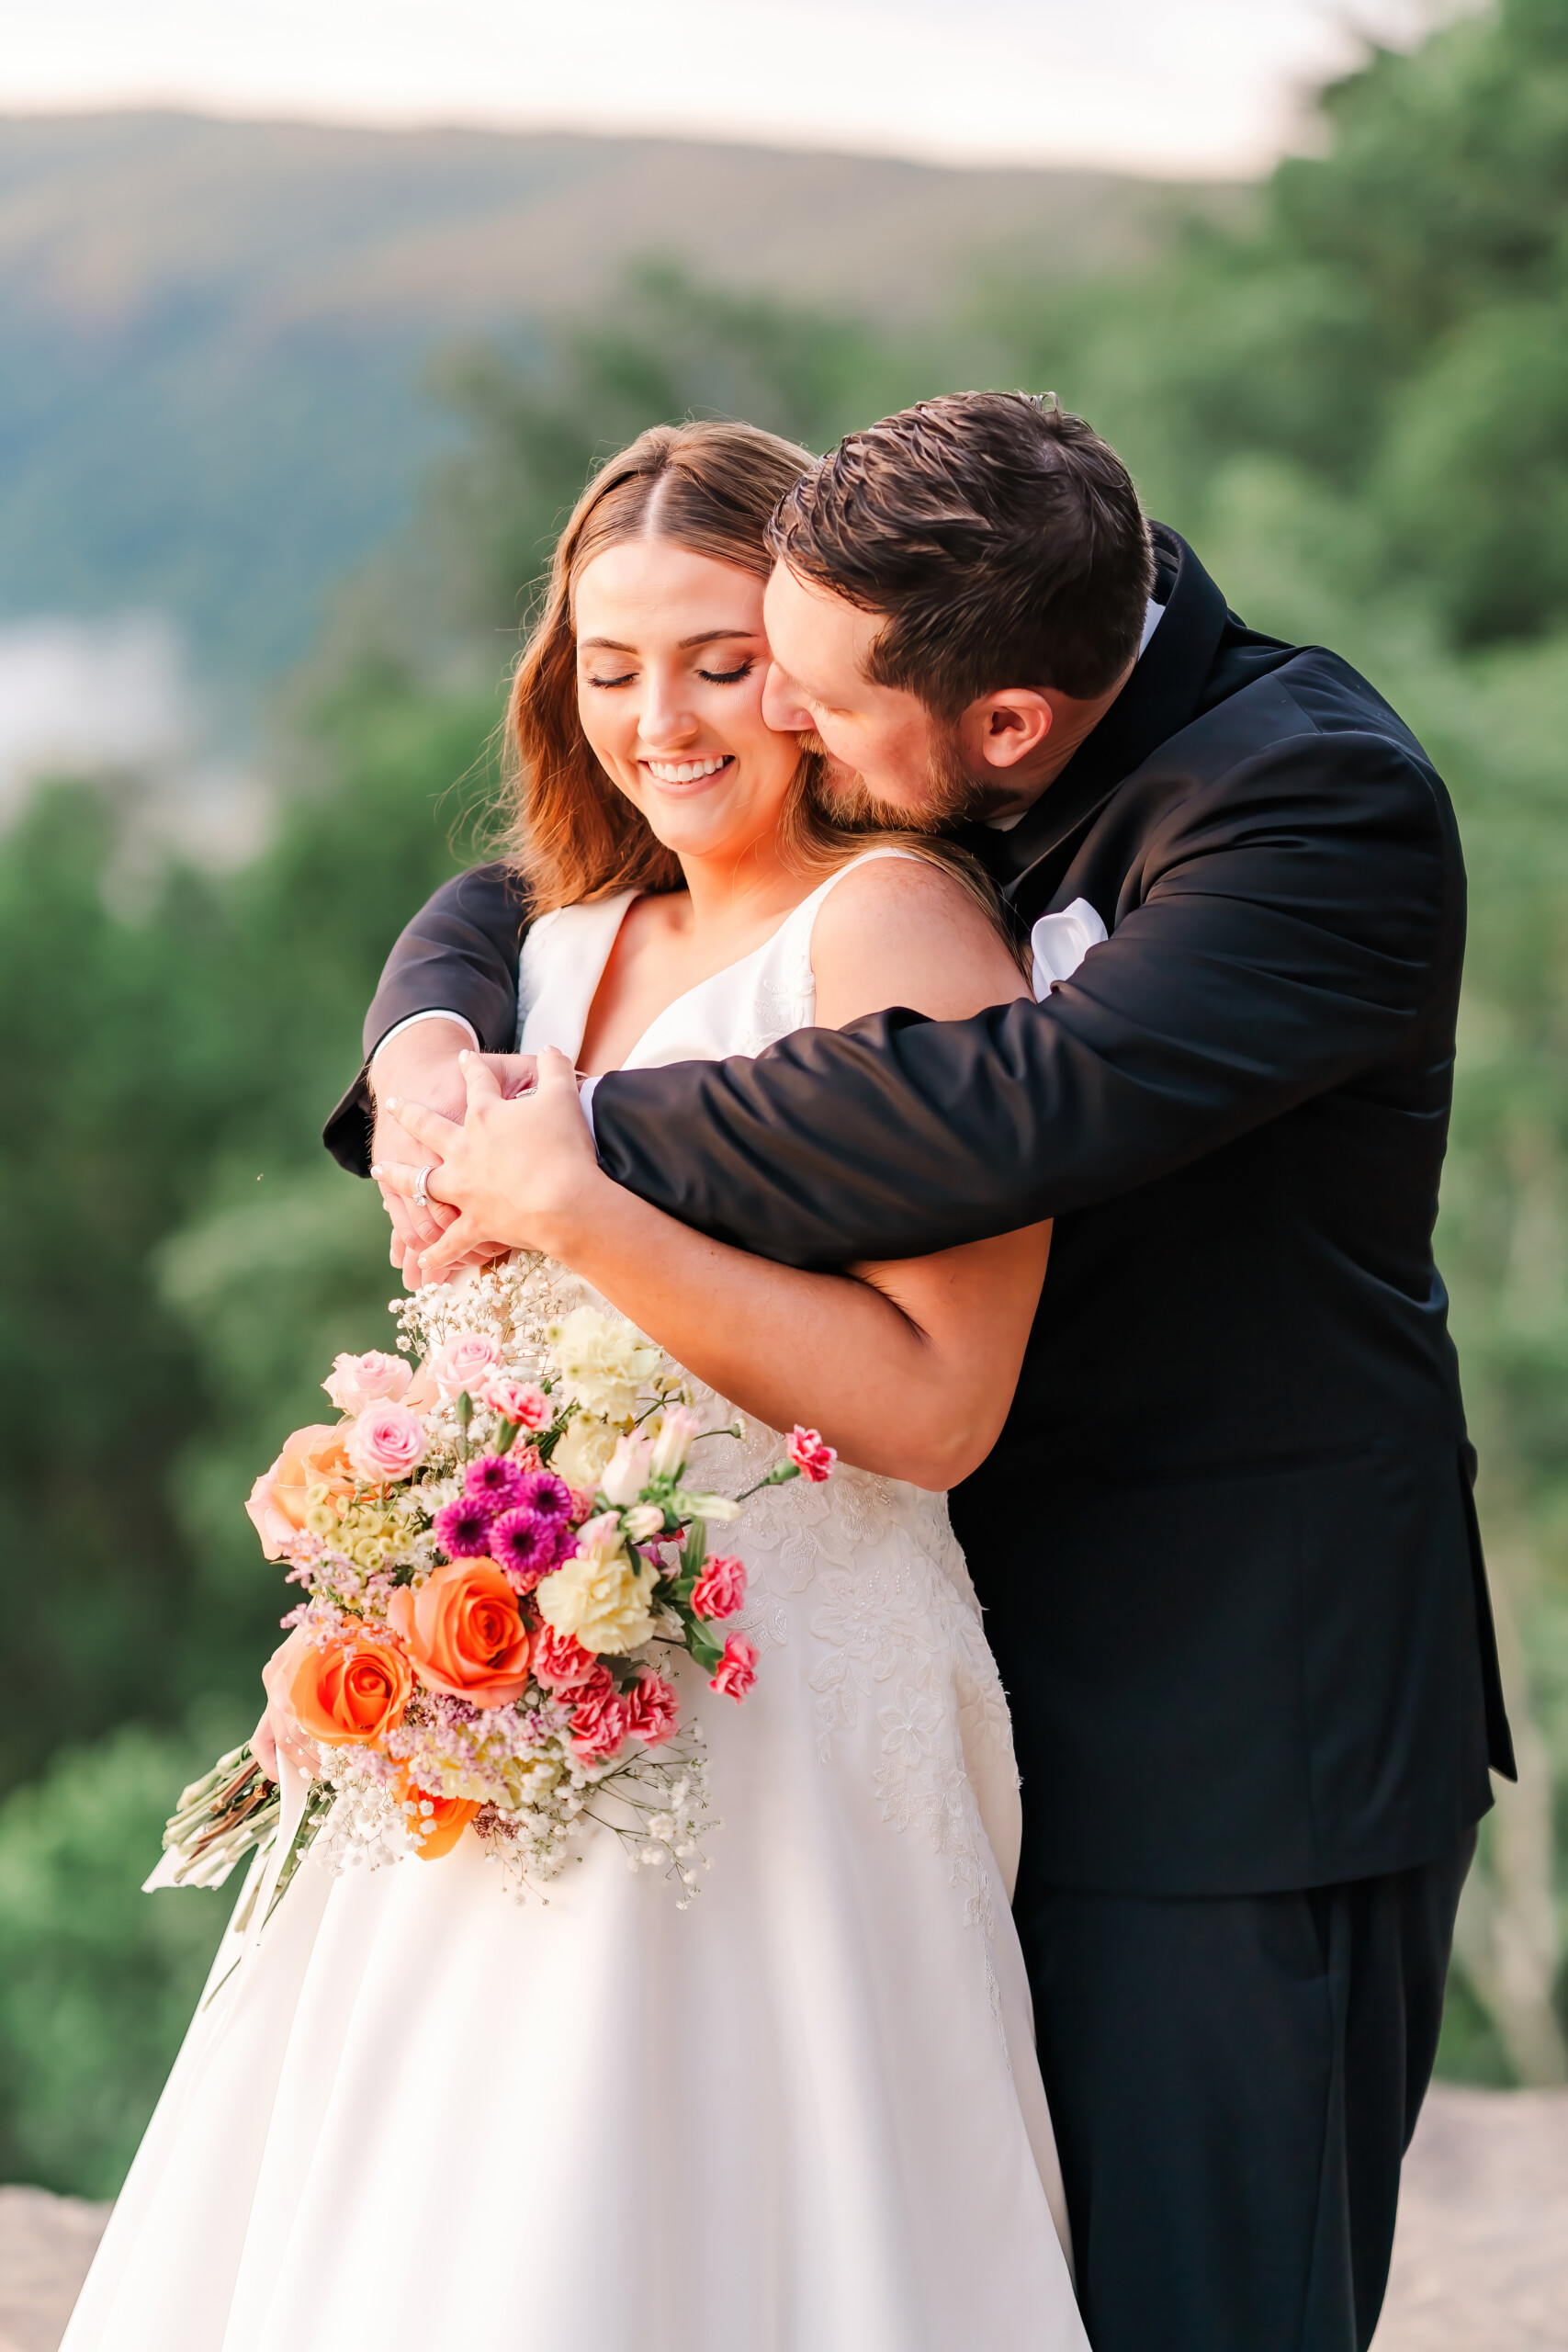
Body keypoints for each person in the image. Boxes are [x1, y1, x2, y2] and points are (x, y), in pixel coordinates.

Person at [344, 391, 1516, 2352]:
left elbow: (1012, 1101)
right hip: (918, 1707)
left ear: (1002, 727)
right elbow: (541, 886)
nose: (763, 722)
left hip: (1224, 1717)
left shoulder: (1310, 810)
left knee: (1190, 2306)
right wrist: (429, 1040)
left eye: (786, 686)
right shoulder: (963, 617)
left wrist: (572, 1149)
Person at [62, 421, 1089, 2352]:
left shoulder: (892, 932)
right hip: (497, 1702)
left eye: (717, 658)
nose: (664, 718)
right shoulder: (545, 954)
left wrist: (580, 1207)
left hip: (785, 1688)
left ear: (806, 661)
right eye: (608, 669)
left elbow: (944, 1404)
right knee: (444, 2202)